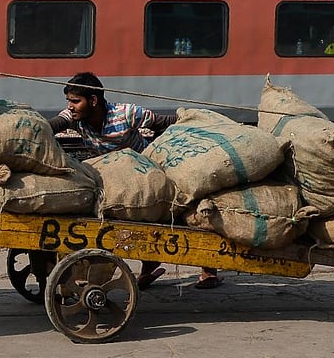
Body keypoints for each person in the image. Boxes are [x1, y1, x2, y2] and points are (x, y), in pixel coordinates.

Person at [47, 72, 221, 290]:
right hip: (115, 180)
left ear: (93, 101)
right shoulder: (75, 119)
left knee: (185, 211)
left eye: (75, 101)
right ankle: (148, 265)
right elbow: (53, 125)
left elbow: (166, 123)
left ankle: (209, 269)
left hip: (145, 174)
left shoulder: (126, 113)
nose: (70, 106)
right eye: (68, 101)